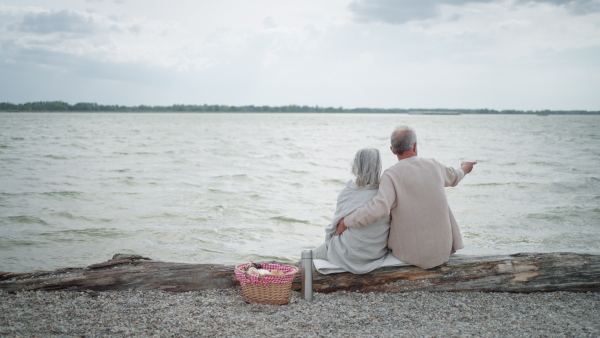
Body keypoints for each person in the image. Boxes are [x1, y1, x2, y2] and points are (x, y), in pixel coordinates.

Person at [337, 126, 477, 269]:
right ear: (415, 145)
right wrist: (465, 167)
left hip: (413, 256)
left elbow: (378, 209)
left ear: (392, 150)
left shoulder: (391, 174)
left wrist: (346, 221)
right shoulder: (434, 165)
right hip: (443, 252)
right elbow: (456, 176)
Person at [312, 148, 391, 274]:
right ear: (378, 167)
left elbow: (336, 229)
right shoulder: (384, 194)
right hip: (375, 253)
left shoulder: (348, 193)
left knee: (308, 256)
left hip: (348, 254)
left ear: (356, 166)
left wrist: (329, 241)